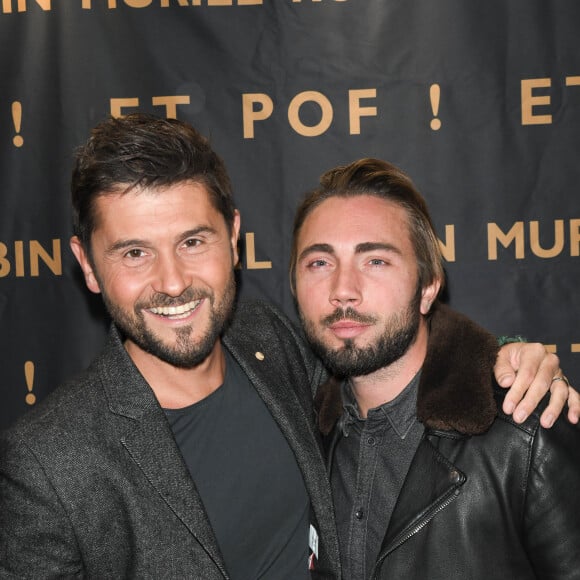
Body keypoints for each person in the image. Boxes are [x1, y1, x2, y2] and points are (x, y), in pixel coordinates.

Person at [0, 115, 574, 579]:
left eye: (193, 241)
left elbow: (379, 333)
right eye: (134, 253)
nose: (172, 282)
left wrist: (505, 357)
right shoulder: (47, 465)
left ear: (233, 237)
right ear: (87, 266)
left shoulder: (269, 342)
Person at [290, 157, 580, 579]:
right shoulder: (299, 428)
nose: (342, 290)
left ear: (427, 289)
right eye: (319, 263)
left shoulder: (525, 432)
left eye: (376, 261)